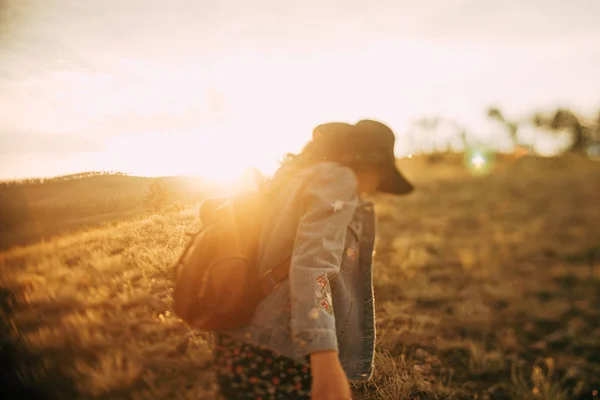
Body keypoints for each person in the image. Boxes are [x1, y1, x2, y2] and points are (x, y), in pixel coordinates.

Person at [212, 119, 414, 400]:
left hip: (239, 338)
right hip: (281, 352)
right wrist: (325, 358)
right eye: (380, 178)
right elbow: (313, 265)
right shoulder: (339, 180)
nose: (372, 190)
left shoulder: (293, 176)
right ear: (370, 164)